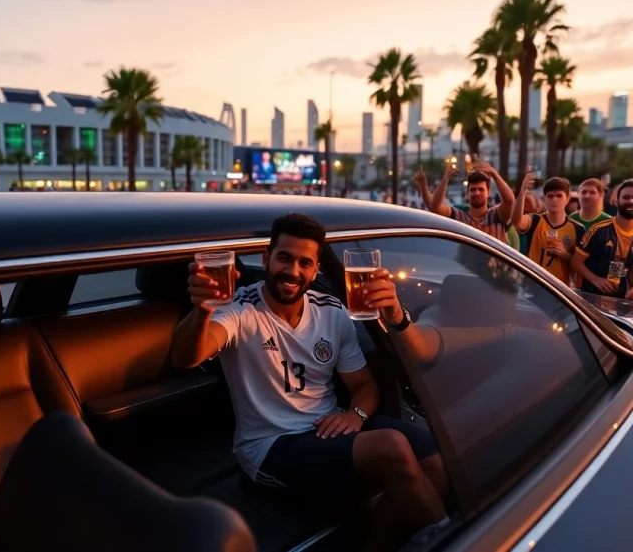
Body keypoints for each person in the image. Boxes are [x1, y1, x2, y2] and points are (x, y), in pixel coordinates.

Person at [170, 213, 448, 551]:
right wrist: (202, 310)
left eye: (305, 263)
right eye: (284, 258)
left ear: (316, 270)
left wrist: (354, 415)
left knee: (435, 459)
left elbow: (365, 386)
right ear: (266, 259)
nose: (293, 271)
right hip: (271, 446)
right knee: (391, 446)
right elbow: (187, 357)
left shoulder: (331, 311)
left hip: (327, 426)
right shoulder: (240, 310)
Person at [571, 179, 633, 300]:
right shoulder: (599, 229)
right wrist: (595, 279)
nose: (631, 201)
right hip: (590, 299)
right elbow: (576, 262)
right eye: (626, 197)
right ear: (617, 202)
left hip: (619, 300)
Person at [513, 174, 585, 285]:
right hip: (533, 285)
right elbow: (517, 221)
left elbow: (581, 265)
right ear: (544, 199)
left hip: (560, 290)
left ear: (568, 199)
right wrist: (522, 192)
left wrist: (565, 254)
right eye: (550, 196)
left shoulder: (578, 228)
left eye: (559, 196)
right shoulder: (535, 220)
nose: (554, 200)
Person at [424, 162, 516, 244]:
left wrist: (494, 174)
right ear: (467, 193)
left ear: (488, 192)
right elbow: (436, 207)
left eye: (481, 189)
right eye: (473, 190)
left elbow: (510, 200)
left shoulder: (497, 215)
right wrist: (446, 177)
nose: (477, 193)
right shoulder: (458, 217)